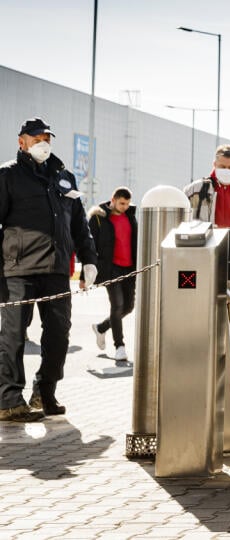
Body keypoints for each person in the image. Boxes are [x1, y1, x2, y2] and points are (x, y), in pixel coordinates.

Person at [0, 118, 98, 421]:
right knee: (13, 335)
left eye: (46, 137)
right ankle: (9, 400)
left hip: (56, 268)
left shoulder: (64, 177)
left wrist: (90, 260)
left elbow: (79, 223)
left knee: (59, 334)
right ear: (22, 142)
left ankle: (45, 392)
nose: (43, 142)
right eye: (36, 137)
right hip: (18, 269)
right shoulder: (8, 175)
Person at [84, 187, 137, 365]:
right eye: (122, 203)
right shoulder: (99, 218)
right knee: (117, 305)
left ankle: (101, 327)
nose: (125, 207)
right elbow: (89, 245)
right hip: (110, 268)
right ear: (112, 199)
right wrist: (87, 271)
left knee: (128, 307)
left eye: (128, 203)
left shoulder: (130, 216)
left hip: (129, 268)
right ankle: (119, 346)